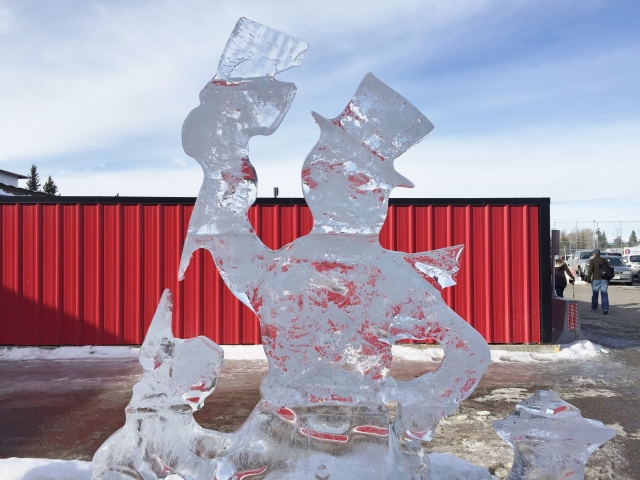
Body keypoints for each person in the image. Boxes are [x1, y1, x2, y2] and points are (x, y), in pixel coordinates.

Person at [586, 249, 610, 314]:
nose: (592, 254)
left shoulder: (592, 261)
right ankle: (605, 308)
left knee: (595, 294)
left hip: (595, 280)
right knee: (604, 294)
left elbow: (590, 271)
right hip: (604, 279)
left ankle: (594, 307)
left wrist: (588, 280)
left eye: (593, 253)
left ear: (595, 254)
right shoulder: (604, 260)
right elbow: (609, 268)